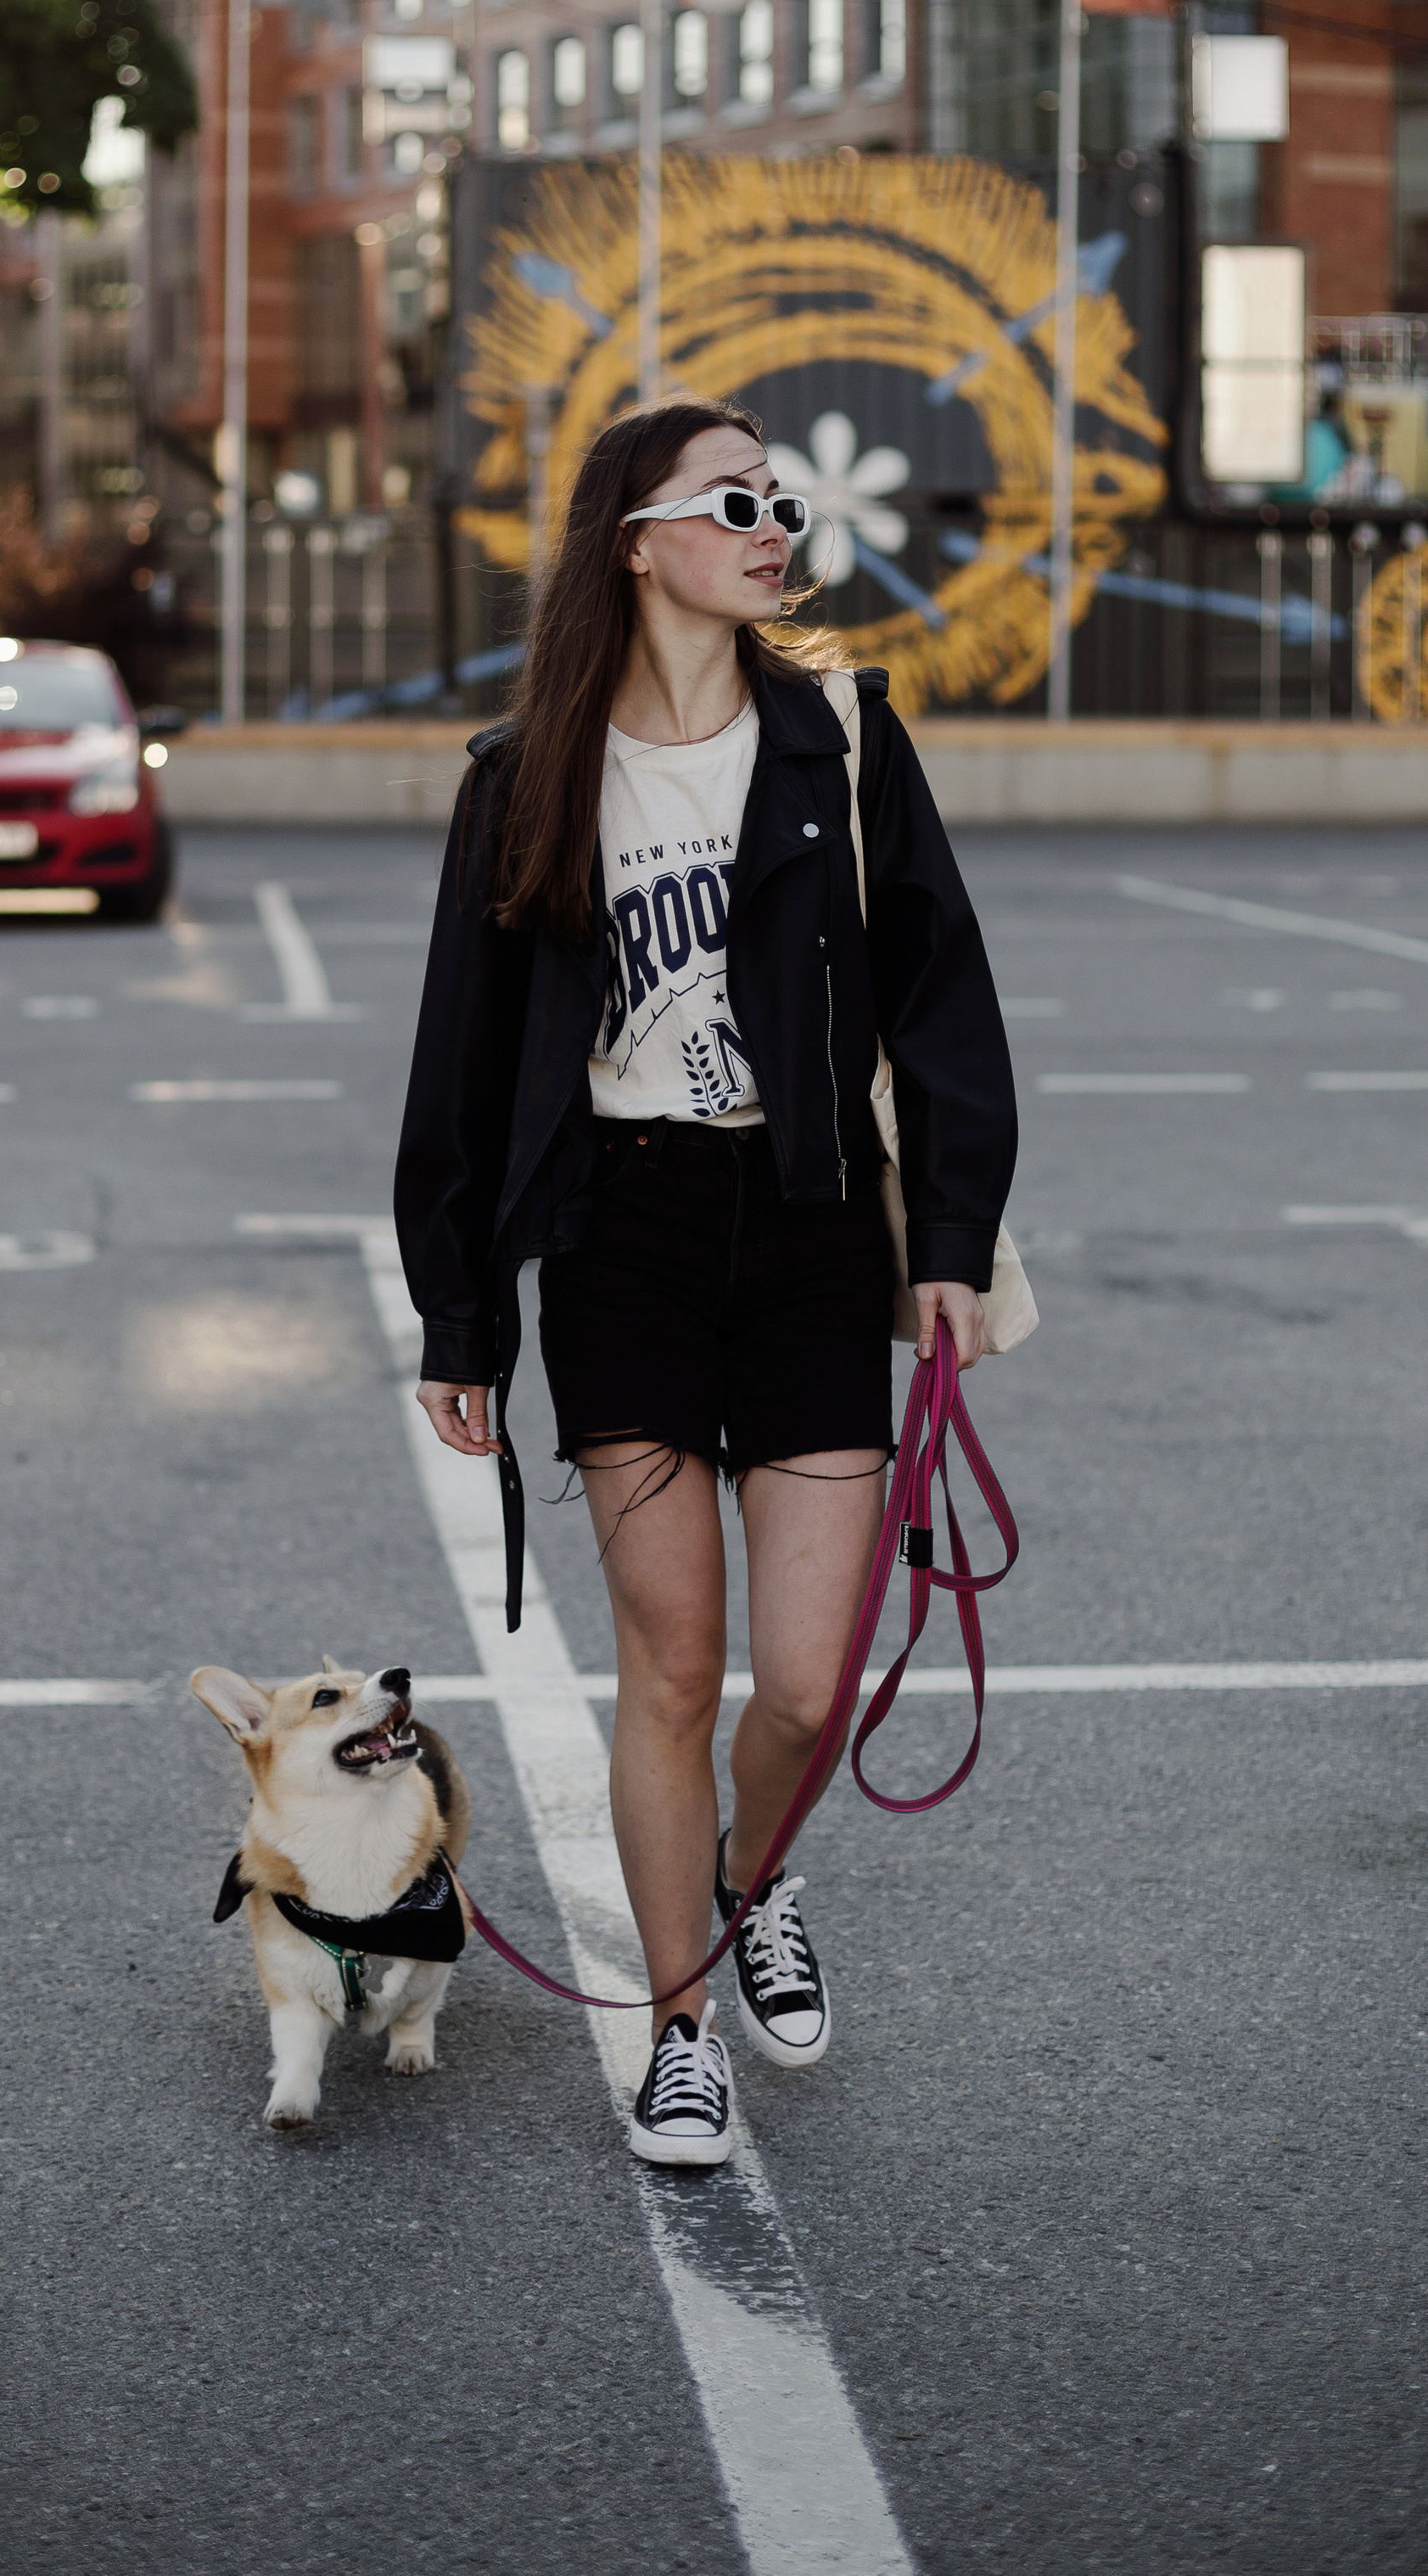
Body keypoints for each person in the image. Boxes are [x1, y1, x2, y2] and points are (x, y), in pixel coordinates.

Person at [394, 396, 1016, 2169]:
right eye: (737, 500)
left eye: (785, 503)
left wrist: (951, 1242)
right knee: (671, 1670)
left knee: (803, 1687)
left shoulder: (834, 737)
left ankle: (755, 1872)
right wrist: (458, 1314)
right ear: (636, 539)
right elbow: (463, 1057)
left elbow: (940, 995)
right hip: (626, 1240)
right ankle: (680, 2026)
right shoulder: (526, 777)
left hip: (812, 1227)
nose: (775, 528)